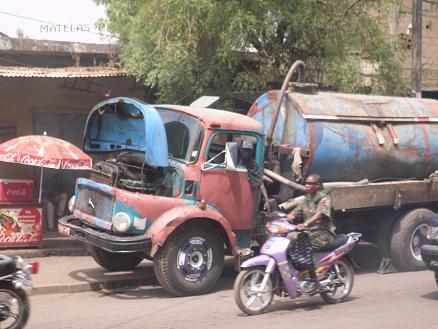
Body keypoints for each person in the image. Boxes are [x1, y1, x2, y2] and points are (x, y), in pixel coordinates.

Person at [285, 174, 336, 292]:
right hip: (308, 232)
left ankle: (313, 279)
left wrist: (305, 224)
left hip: (324, 233)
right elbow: (294, 213)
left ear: (318, 185)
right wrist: (282, 219)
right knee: (289, 238)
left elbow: (319, 214)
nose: (307, 185)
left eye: (310, 183)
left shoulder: (324, 198)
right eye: (306, 183)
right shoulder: (307, 199)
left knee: (304, 245)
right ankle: (298, 269)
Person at [238, 140, 271, 213]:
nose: (246, 153)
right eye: (245, 150)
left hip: (246, 195)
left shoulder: (254, 165)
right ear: (240, 150)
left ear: (251, 152)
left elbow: (260, 184)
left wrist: (267, 199)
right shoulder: (235, 159)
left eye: (248, 151)